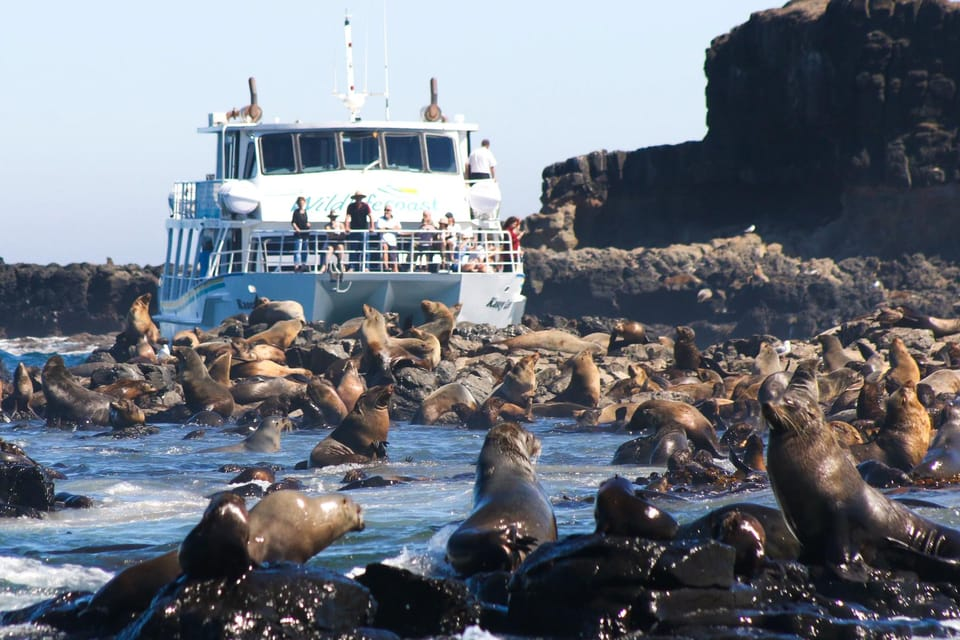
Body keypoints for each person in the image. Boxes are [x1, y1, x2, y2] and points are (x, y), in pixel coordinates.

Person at [345, 191, 373, 271]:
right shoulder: (351, 206)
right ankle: (352, 267)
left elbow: (370, 216)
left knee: (365, 249)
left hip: (363, 231)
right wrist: (347, 227)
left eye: (360, 198)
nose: (358, 199)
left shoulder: (365, 206)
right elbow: (347, 217)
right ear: (355, 198)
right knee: (353, 250)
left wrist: (372, 227)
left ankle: (366, 267)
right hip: (354, 231)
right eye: (357, 198)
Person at [376, 206, 402, 272]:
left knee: (393, 259)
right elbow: (380, 230)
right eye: (385, 210)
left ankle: (395, 271)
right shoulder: (380, 219)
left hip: (393, 242)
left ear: (391, 211)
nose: (386, 211)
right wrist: (392, 228)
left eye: (388, 210)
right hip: (384, 241)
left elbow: (399, 229)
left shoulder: (395, 219)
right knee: (385, 247)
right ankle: (386, 268)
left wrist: (387, 228)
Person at [291, 196, 311, 271]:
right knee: (297, 250)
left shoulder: (305, 212)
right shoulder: (296, 212)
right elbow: (293, 222)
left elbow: (306, 221)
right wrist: (296, 228)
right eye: (300, 203)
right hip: (298, 234)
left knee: (305, 250)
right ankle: (296, 265)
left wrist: (308, 224)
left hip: (305, 233)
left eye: (302, 202)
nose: (301, 204)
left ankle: (303, 264)